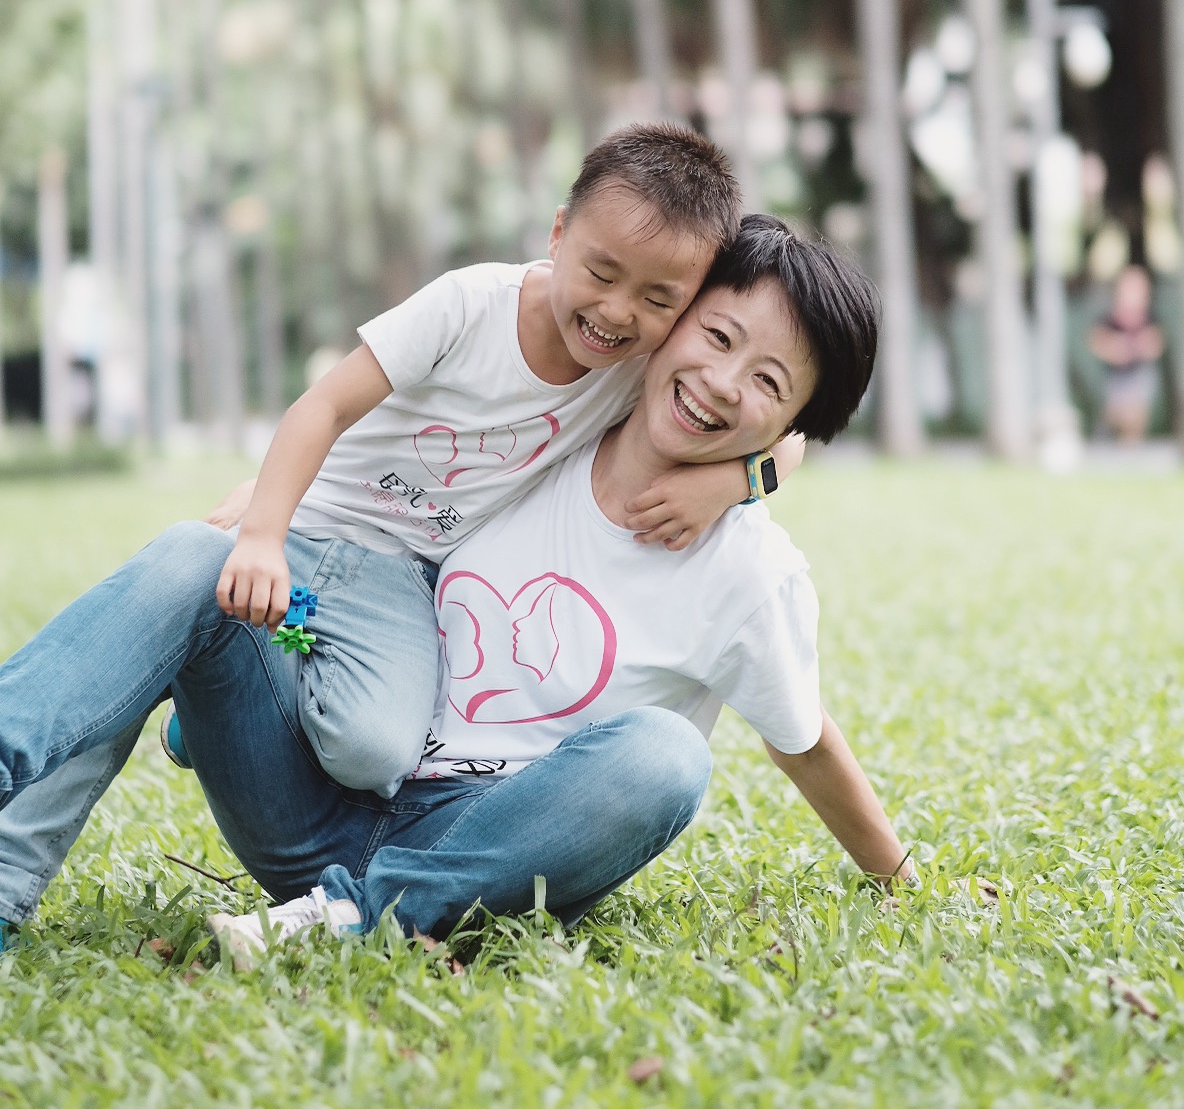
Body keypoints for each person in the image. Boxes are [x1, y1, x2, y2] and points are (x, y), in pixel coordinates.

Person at [0, 124, 795, 939]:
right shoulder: (471, 305)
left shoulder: (636, 374)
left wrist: (738, 479)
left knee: (377, 748)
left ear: (686, 305)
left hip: (396, 596)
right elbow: (325, 405)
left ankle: (244, 737)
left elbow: (788, 434)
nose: (618, 311)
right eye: (600, 272)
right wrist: (267, 527)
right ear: (558, 234)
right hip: (307, 564)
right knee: (185, 566)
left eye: (659, 300)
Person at [199, 216, 914, 966]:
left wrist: (900, 880)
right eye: (718, 337)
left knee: (666, 756)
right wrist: (278, 499)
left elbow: (804, 742)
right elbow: (396, 473)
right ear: (672, 320)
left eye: (768, 382)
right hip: (321, 807)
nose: (721, 383)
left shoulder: (750, 573)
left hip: (495, 850)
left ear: (794, 418)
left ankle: (350, 917)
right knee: (202, 567)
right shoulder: (547, 438)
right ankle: (235, 784)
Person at [1088, 264, 1165, 442]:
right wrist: (1114, 348)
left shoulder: (1149, 318)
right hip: (1115, 378)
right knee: (1116, 413)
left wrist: (1141, 346)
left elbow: (1156, 344)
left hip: (1138, 376)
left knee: (1135, 414)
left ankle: (1131, 446)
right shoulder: (1110, 318)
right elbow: (1097, 340)